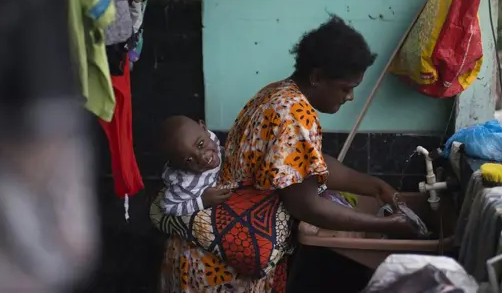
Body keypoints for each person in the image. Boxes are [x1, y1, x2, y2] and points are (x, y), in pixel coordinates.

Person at [153, 15, 420, 292]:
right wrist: (387, 224)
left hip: (202, 254)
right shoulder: (294, 113)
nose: (349, 97)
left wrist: (375, 186)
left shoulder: (277, 93)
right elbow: (305, 204)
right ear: (317, 77)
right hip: (220, 269)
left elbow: (307, 164)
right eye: (346, 88)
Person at [158, 116, 232, 216]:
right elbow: (167, 207)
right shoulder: (185, 184)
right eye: (189, 160)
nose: (202, 158)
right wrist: (203, 201)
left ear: (203, 128)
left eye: (200, 144)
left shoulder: (211, 136)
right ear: (178, 166)